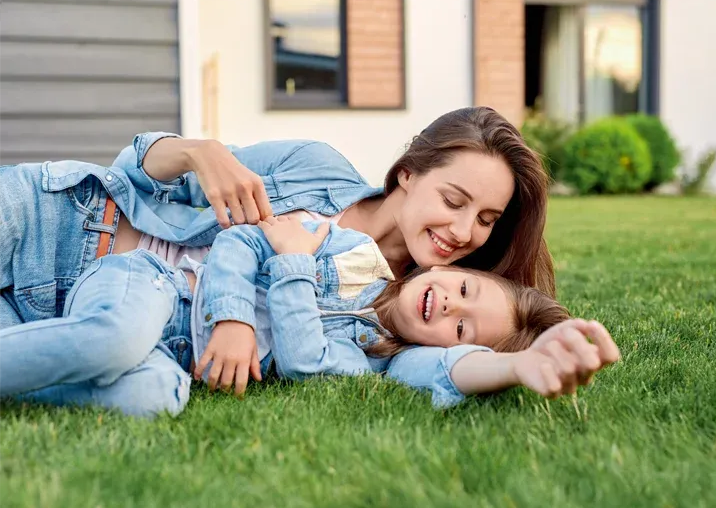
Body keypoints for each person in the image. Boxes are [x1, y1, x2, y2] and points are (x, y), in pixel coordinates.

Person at [0, 106, 553, 393]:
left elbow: (446, 368)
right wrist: (197, 152)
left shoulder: (395, 319)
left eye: (485, 219)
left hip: (77, 315)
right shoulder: (315, 168)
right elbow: (134, 170)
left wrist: (524, 362)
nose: (463, 232)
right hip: (58, 220)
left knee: (138, 390)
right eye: (453, 200)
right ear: (407, 174)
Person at [0, 217, 618, 418]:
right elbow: (241, 242)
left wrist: (519, 365)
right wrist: (235, 320)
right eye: (462, 288)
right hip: (158, 286)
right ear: (444, 271)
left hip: (174, 362)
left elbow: (303, 361)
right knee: (118, 336)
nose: (450, 305)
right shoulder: (354, 252)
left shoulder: (370, 367)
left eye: (461, 325)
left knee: (155, 398)